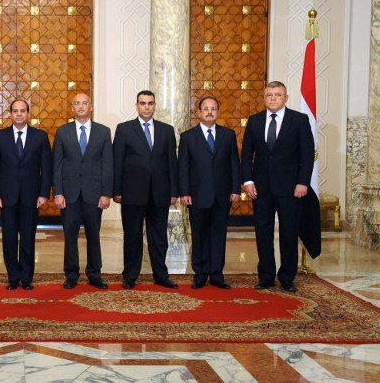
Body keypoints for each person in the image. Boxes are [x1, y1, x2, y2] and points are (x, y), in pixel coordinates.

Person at [241, 81, 314, 293]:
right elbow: (246, 155)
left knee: (289, 233)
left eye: (278, 94)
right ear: (264, 98)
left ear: (286, 98)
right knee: (262, 233)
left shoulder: (299, 120)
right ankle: (265, 276)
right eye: (269, 95)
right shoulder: (254, 121)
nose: (273, 98)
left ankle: (287, 277)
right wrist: (248, 181)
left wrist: (303, 182)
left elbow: (307, 155)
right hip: (260, 189)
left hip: (291, 189)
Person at [113, 90, 179, 289]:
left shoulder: (166, 130)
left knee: (158, 237)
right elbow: (117, 161)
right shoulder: (124, 129)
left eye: (150, 103)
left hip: (160, 193)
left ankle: (161, 276)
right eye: (143, 103)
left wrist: (174, 191)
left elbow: (172, 163)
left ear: (154, 106)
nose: (147, 107)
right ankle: (130, 276)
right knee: (132, 236)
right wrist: (116, 190)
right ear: (137, 106)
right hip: (132, 193)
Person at [0, 99, 52, 290]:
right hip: (6, 196)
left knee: (28, 238)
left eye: (22, 111)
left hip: (31, 196)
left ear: (28, 113)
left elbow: (46, 168)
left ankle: (26, 277)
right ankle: (13, 277)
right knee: (8, 238)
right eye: (15, 111)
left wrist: (43, 193)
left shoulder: (40, 137)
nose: (19, 114)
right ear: (10, 114)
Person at [178, 96, 240, 289]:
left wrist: (235, 189)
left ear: (218, 112)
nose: (209, 112)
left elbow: (234, 164)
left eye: (213, 109)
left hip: (222, 195)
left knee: (219, 236)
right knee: (199, 235)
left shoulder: (228, 135)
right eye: (206, 109)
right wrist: (184, 192)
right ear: (199, 112)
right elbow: (183, 167)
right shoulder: (188, 137)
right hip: (197, 196)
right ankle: (200, 273)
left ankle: (217, 274)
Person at [53, 93, 113, 290]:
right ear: (72, 108)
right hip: (69, 194)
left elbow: (107, 165)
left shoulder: (103, 132)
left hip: (94, 194)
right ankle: (71, 275)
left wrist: (106, 193)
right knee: (70, 236)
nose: (81, 106)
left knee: (93, 236)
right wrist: (58, 193)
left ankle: (94, 274)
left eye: (84, 103)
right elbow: (57, 165)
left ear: (91, 107)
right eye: (77, 104)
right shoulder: (62, 132)